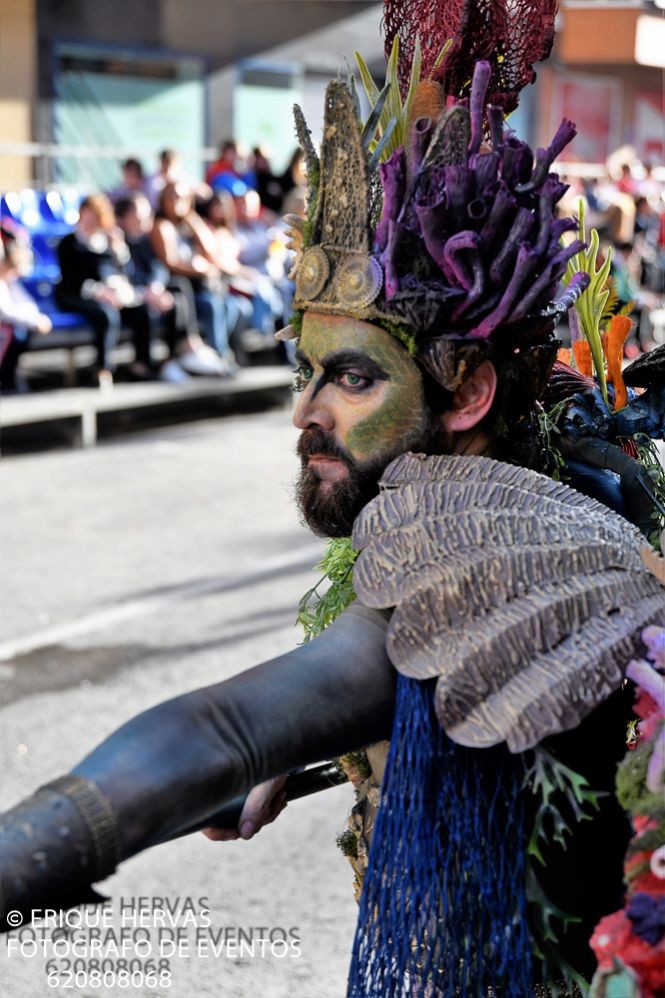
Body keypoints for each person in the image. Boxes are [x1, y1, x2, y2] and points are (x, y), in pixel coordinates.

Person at [2, 4, 665, 995]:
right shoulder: (546, 456)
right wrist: (326, 746)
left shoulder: (494, 542)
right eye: (303, 371)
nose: (303, 413)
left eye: (351, 378)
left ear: (469, 390)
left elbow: (227, 724)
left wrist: (28, 852)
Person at [114, 193, 225, 379]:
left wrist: (156, 286)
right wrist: (146, 291)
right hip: (130, 295)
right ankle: (144, 364)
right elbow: (124, 274)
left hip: (149, 290)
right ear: (125, 217)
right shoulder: (118, 241)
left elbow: (158, 267)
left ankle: (181, 352)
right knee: (148, 311)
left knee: (178, 293)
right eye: (139, 214)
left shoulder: (144, 240)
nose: (145, 218)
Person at [55, 193, 155, 388]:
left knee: (143, 312)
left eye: (95, 214)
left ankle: (142, 364)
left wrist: (121, 251)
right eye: (87, 213)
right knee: (107, 315)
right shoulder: (69, 243)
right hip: (75, 295)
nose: (90, 219)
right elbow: (71, 278)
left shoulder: (106, 242)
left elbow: (126, 273)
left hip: (109, 295)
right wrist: (100, 292)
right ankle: (104, 369)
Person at [151, 182, 246, 373]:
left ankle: (223, 352)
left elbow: (210, 252)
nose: (177, 202)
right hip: (182, 288)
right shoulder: (162, 226)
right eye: (172, 197)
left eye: (181, 198)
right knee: (212, 305)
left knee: (233, 305)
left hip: (202, 286)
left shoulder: (188, 223)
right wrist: (198, 270)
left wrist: (193, 220)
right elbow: (170, 262)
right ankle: (220, 356)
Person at [0, 222, 52, 392]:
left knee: (21, 332)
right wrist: (33, 321)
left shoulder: (10, 282)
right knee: (16, 332)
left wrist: (36, 319)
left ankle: (8, 378)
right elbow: (5, 312)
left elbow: (28, 304)